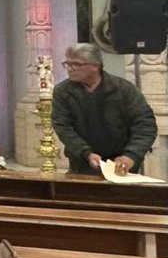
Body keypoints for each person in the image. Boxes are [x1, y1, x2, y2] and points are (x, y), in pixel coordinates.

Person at [52, 43, 157, 176]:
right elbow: (63, 126)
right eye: (67, 64)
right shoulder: (63, 91)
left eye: (76, 64)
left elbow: (145, 125)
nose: (70, 69)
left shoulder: (124, 90)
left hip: (122, 164)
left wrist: (131, 155)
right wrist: (86, 153)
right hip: (81, 162)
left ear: (96, 65)